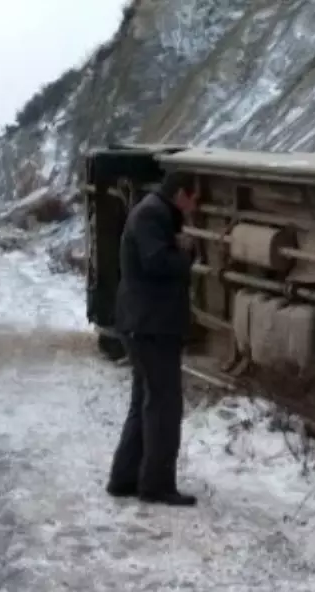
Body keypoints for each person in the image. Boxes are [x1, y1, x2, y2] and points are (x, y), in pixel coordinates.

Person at [105, 171, 200, 507]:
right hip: (151, 325)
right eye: (194, 198)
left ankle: (125, 477)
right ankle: (156, 484)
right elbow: (156, 262)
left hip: (144, 323)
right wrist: (186, 252)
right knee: (163, 405)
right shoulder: (152, 215)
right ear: (181, 195)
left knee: (144, 401)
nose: (195, 207)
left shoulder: (153, 212)